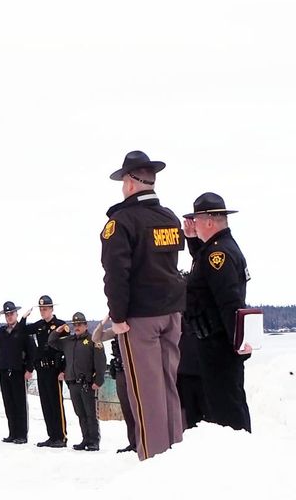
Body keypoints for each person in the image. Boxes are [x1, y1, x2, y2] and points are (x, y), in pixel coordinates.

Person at [100, 150, 186, 460]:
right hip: (172, 312)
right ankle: (176, 453)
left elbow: (116, 273)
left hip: (141, 317)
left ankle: (153, 461)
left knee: (145, 393)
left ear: (131, 182)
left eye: (123, 181)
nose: (123, 187)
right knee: (168, 387)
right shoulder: (169, 218)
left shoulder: (122, 221)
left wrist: (118, 316)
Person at [183, 192, 252, 431]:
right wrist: (192, 240)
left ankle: (239, 456)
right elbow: (204, 274)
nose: (193, 224)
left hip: (219, 345)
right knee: (222, 405)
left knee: (227, 410)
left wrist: (239, 344)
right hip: (217, 343)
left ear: (209, 222)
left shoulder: (217, 254)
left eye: (196, 220)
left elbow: (229, 303)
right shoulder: (217, 248)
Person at [48, 312, 106, 451]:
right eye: (75, 325)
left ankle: (94, 441)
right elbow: (52, 342)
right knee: (80, 413)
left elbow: (101, 362)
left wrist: (98, 380)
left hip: (87, 383)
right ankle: (85, 439)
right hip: (73, 382)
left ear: (86, 325)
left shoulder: (93, 340)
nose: (77, 327)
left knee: (90, 414)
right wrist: (58, 331)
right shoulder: (69, 341)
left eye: (80, 324)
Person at [25, 294, 68, 448]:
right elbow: (23, 329)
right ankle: (51, 435)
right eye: (41, 309)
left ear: (51, 309)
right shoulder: (39, 325)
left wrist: (64, 369)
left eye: (45, 309)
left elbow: (67, 350)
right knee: (46, 403)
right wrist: (24, 317)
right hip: (41, 369)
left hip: (54, 369)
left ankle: (61, 436)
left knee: (56, 403)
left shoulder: (61, 325)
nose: (43, 311)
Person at [0, 301, 34, 444]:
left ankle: (22, 435)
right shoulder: (0, 332)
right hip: (4, 371)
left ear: (16, 314)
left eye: (12, 314)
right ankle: (12, 433)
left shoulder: (23, 331)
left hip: (18, 371)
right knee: (8, 403)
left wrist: (29, 369)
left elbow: (31, 352)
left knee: (20, 403)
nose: (9, 317)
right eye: (7, 314)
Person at [93, 318, 137, 453]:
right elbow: (96, 337)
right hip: (121, 372)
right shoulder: (116, 331)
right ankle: (133, 442)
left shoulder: (137, 327)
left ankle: (143, 441)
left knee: (137, 409)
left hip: (135, 371)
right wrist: (105, 319)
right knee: (126, 409)